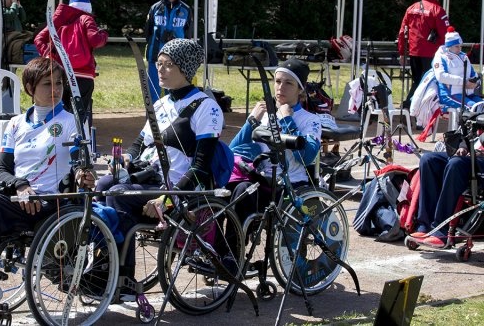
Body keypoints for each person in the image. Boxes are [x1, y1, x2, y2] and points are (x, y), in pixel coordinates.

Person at [0, 57, 95, 320]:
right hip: (20, 197)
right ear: (30, 88)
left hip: (48, 203)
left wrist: (83, 173)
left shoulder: (71, 122)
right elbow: (2, 170)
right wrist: (20, 185)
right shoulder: (15, 124)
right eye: (47, 84)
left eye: (59, 83)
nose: (55, 89)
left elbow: (80, 161)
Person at [95, 38, 223, 298]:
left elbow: (200, 167)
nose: (160, 70)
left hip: (175, 190)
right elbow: (138, 145)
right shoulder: (161, 104)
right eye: (158, 64)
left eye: (168, 65)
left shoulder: (206, 107)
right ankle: (104, 263)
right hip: (148, 177)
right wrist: (126, 159)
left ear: (185, 69)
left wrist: (168, 197)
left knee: (118, 192)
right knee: (101, 185)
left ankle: (124, 279)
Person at [227, 59, 322, 228]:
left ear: (300, 89)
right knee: (235, 190)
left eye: (288, 83)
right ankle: (230, 251)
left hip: (291, 186)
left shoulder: (311, 120)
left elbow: (306, 157)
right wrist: (251, 121)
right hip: (263, 182)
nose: (280, 87)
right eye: (278, 81)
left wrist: (286, 120)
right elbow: (232, 151)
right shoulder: (264, 114)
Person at [35, 0, 108, 120]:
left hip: (60, 76)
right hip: (83, 76)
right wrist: (103, 34)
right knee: (78, 118)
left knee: (57, 115)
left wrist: (50, 56)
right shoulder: (86, 18)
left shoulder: (58, 20)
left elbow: (38, 39)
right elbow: (95, 40)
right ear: (88, 7)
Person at [413, 148, 484, 248]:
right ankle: (425, 226)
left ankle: (441, 231)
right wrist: (463, 147)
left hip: (480, 160)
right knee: (428, 159)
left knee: (455, 164)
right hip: (472, 153)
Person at [397, 0, 450, 109]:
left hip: (414, 52)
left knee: (418, 81)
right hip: (431, 53)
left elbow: (402, 32)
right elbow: (446, 35)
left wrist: (401, 53)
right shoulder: (438, 10)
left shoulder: (411, 8)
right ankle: (411, 107)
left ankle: (409, 107)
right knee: (427, 82)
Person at [144, 0, 193, 101]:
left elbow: (188, 35)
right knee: (153, 91)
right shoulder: (155, 8)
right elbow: (147, 32)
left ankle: (172, 120)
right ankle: (152, 120)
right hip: (155, 57)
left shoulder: (186, 10)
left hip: (176, 59)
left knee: (173, 91)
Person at [431, 26, 482, 109]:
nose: (460, 49)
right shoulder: (441, 57)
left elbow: (474, 74)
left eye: (460, 46)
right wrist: (464, 82)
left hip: (468, 94)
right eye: (457, 46)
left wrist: (475, 84)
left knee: (481, 106)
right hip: (449, 95)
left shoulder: (463, 56)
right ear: (449, 46)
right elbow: (441, 76)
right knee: (474, 107)